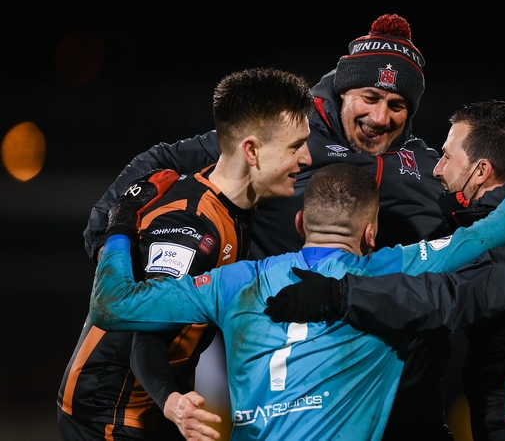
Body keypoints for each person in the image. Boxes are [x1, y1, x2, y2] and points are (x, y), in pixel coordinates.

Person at [81, 13, 453, 440]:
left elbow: (478, 202)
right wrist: (105, 225)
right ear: (344, 90)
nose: (380, 117)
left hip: (388, 375)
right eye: (369, 97)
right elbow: (169, 157)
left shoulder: (423, 165)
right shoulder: (288, 130)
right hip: (286, 366)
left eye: (397, 105)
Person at [89, 162, 505, 441]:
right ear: (371, 234)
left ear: (300, 225)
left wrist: (119, 227)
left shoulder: (234, 281)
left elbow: (113, 306)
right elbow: (502, 227)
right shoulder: (390, 269)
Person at [267, 100, 505, 440]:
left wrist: (341, 294)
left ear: (481, 171)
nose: (436, 169)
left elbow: (452, 297)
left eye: (448, 158)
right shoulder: (491, 228)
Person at [57, 67, 314, 441]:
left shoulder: (233, 200)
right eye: (295, 147)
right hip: (110, 412)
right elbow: (146, 334)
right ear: (252, 151)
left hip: (154, 403)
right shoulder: (192, 228)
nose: (306, 159)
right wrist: (172, 401)